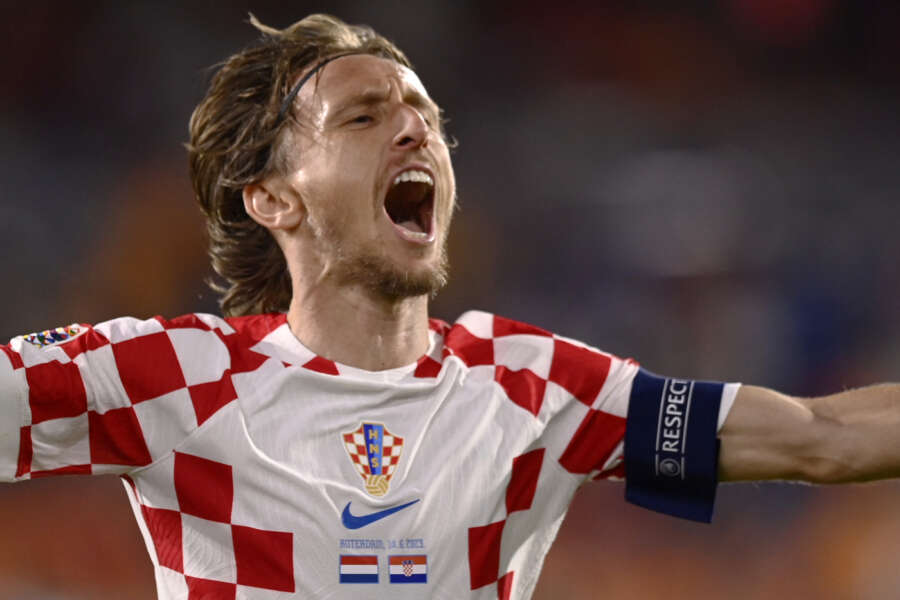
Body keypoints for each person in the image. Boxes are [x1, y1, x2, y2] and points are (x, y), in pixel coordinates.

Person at [0, 13, 897, 600]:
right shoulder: (169, 376)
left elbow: (823, 435)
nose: (414, 129)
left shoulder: (536, 389)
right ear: (274, 198)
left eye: (424, 115)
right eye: (363, 118)